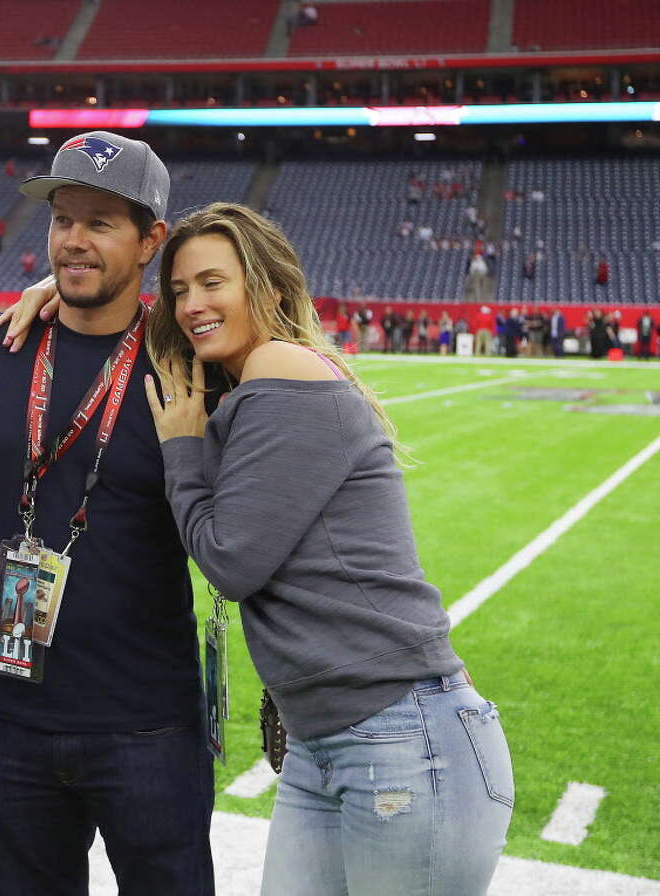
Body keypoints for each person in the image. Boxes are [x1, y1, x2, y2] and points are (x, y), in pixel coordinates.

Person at [142, 202, 512, 895]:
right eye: (179, 289)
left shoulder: (282, 365)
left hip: (403, 736)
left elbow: (232, 561)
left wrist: (182, 451)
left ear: (270, 290)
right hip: (332, 741)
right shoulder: (257, 379)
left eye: (213, 282)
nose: (192, 303)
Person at [0, 131, 214, 895]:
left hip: (147, 723)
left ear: (151, 240)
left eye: (100, 222)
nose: (74, 240)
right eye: (64, 218)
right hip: (15, 716)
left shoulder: (189, 361)